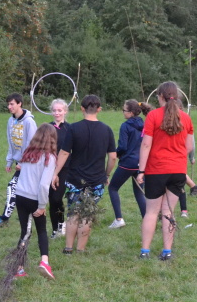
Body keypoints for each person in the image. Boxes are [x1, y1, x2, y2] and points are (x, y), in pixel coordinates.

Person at [136, 81, 195, 261]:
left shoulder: (153, 116)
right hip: (178, 171)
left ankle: (145, 251)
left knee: (151, 212)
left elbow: (146, 144)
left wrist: (141, 170)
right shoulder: (186, 118)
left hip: (156, 170)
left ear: (160, 96)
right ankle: (167, 252)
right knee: (168, 212)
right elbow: (189, 146)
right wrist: (176, 157)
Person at [52, 95, 116, 253]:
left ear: (82, 109)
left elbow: (64, 153)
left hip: (75, 179)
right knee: (87, 214)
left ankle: (68, 248)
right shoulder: (107, 130)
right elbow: (113, 157)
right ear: (99, 109)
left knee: (73, 213)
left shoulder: (73, 128)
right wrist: (106, 174)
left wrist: (55, 173)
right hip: (96, 180)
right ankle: (80, 249)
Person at [13, 123, 58, 280]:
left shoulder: (28, 153)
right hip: (34, 199)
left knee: (25, 232)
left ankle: (19, 269)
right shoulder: (49, 158)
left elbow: (20, 170)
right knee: (41, 230)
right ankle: (44, 262)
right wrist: (41, 206)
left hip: (20, 196)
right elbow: (44, 185)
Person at [0, 93, 37, 227]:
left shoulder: (29, 122)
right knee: (23, 190)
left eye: (12, 104)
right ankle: (29, 214)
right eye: (8, 104)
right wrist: (9, 161)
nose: (9, 107)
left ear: (19, 103)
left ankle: (5, 218)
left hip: (30, 162)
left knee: (13, 186)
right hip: (19, 162)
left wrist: (23, 163)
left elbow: (32, 145)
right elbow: (11, 143)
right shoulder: (11, 121)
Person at [107, 100, 153, 228]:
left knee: (113, 188)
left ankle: (119, 219)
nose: (123, 112)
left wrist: (116, 154)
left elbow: (122, 146)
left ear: (131, 113)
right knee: (139, 192)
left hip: (128, 163)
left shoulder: (125, 126)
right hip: (142, 164)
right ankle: (147, 220)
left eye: (124, 110)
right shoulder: (145, 124)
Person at [48, 98, 71, 238]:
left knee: (57, 198)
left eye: (59, 110)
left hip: (65, 169)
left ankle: (61, 223)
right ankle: (54, 228)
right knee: (51, 199)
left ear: (65, 111)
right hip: (49, 168)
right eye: (54, 110)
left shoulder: (69, 128)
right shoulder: (47, 128)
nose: (57, 113)